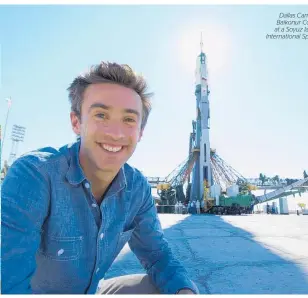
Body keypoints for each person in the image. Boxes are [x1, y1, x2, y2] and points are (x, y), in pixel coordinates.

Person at [1, 62, 199, 295]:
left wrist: (185, 290)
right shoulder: (35, 176)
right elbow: (7, 280)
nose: (115, 133)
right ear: (76, 122)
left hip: (93, 291)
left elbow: (157, 255)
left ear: (140, 132)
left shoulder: (136, 189)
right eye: (101, 115)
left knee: (166, 288)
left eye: (128, 120)